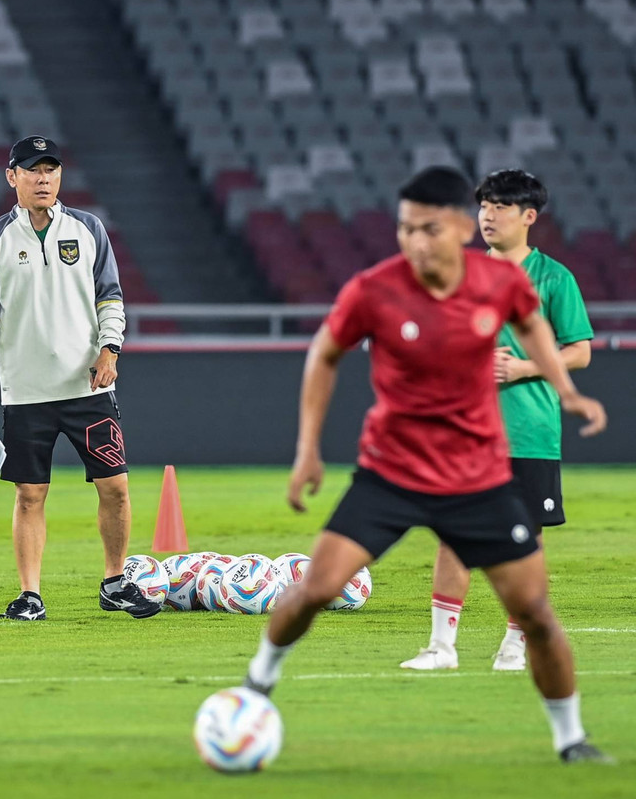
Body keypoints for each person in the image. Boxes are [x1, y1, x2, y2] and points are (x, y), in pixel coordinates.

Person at [240, 167, 611, 764]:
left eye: (428, 228)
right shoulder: (374, 288)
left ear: (461, 227)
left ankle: (571, 738)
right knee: (318, 588)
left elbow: (537, 329)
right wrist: (308, 448)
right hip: (392, 472)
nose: (414, 240)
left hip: (478, 478)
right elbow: (324, 354)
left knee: (536, 613)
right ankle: (257, 681)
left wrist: (566, 392)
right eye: (405, 227)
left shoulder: (502, 283)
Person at [402, 169, 594, 673]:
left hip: (529, 431)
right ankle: (441, 647)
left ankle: (516, 644)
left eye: (500, 206)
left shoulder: (554, 279)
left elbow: (580, 351)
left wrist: (527, 366)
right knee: (452, 536)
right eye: (484, 204)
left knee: (523, 542)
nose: (487, 214)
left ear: (528, 216)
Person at [0, 135, 159, 621]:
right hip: (25, 393)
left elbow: (110, 298)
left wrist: (110, 349)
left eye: (51, 169)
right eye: (32, 170)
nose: (44, 178)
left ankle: (115, 583)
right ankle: (30, 595)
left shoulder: (89, 228)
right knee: (30, 495)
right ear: (13, 177)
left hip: (89, 389)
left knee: (115, 487)